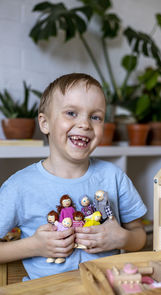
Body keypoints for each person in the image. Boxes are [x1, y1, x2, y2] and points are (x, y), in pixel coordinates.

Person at [0, 73, 147, 280]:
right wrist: (33, 246)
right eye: (71, 113)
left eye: (95, 117)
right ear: (45, 123)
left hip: (107, 287)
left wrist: (122, 238)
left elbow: (139, 236)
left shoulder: (114, 176)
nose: (85, 124)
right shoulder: (18, 186)